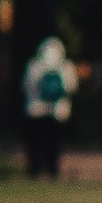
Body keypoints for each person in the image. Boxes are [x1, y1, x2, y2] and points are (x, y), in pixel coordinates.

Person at [21, 34, 76, 182]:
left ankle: (36, 170)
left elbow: (27, 86)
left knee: (36, 143)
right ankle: (52, 170)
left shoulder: (34, 65)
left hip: (35, 111)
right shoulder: (66, 66)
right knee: (54, 143)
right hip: (58, 112)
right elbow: (71, 87)